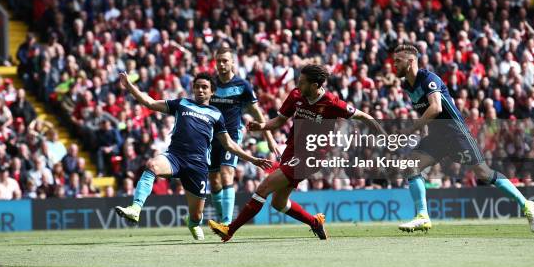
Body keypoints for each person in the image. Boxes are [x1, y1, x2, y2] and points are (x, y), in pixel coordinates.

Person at [208, 64, 383, 242]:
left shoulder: (331, 102)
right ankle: (315, 223)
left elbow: (363, 116)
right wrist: (262, 126)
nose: (298, 85)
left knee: (263, 187)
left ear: (315, 85)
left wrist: (382, 133)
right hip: (291, 152)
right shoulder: (296, 95)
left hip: (311, 157)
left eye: (302, 82)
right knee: (278, 202)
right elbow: (279, 121)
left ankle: (229, 229)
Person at [392, 44, 534, 232]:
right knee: (411, 166)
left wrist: (410, 130)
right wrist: (423, 132)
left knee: (483, 173)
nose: (394, 65)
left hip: (456, 132)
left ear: (411, 61)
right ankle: (422, 216)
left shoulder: (429, 78)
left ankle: (527, 205)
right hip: (437, 136)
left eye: (398, 60)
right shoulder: (407, 85)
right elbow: (426, 112)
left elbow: (436, 108)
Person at [114, 72, 271, 240]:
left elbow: (229, 144)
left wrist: (253, 159)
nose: (200, 90)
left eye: (204, 87)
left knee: (196, 215)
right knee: (152, 165)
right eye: (197, 87)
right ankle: (135, 209)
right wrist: (129, 86)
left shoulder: (216, 115)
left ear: (212, 92)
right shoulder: (182, 103)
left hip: (198, 166)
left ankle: (192, 222)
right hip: (174, 157)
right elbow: (150, 103)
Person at [208, 47, 278, 224]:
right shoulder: (210, 85)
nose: (222, 64)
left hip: (231, 137)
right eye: (219, 61)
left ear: (232, 62)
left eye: (225, 60)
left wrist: (269, 139)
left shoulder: (242, 86)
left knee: (226, 173)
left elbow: (257, 113)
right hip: (210, 137)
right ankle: (220, 218)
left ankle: (225, 223)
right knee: (214, 182)